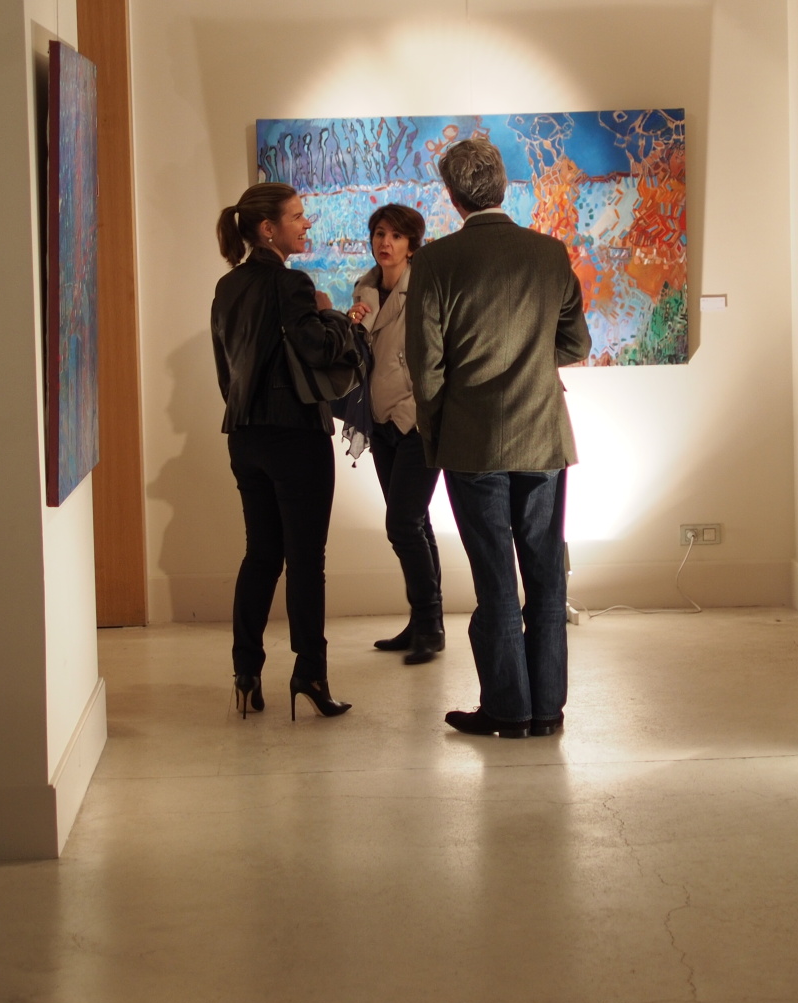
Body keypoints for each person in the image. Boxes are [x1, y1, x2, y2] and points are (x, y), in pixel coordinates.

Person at [405, 140, 591, 739]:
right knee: (546, 574)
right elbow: (576, 343)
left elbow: (425, 369)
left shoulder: (435, 261)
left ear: (453, 196)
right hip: (543, 436)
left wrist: (437, 434)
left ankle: (509, 710)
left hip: (473, 442)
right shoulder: (548, 252)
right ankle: (547, 709)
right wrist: (533, 360)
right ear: (503, 186)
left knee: (495, 578)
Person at [211, 183, 360, 721]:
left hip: (245, 435)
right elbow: (317, 349)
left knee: (261, 554)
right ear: (268, 228)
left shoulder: (227, 287)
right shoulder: (292, 283)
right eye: (297, 216)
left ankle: (245, 673)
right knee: (305, 561)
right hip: (295, 433)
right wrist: (336, 318)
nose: (307, 223)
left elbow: (225, 371)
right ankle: (310, 674)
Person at [346, 205, 443, 665]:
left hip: (417, 419)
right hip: (380, 419)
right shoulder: (365, 289)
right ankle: (424, 622)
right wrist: (349, 323)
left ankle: (429, 624)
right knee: (416, 522)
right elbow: (361, 358)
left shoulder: (424, 288)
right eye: (380, 233)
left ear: (412, 245)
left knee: (402, 524)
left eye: (397, 236)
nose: (386, 243)